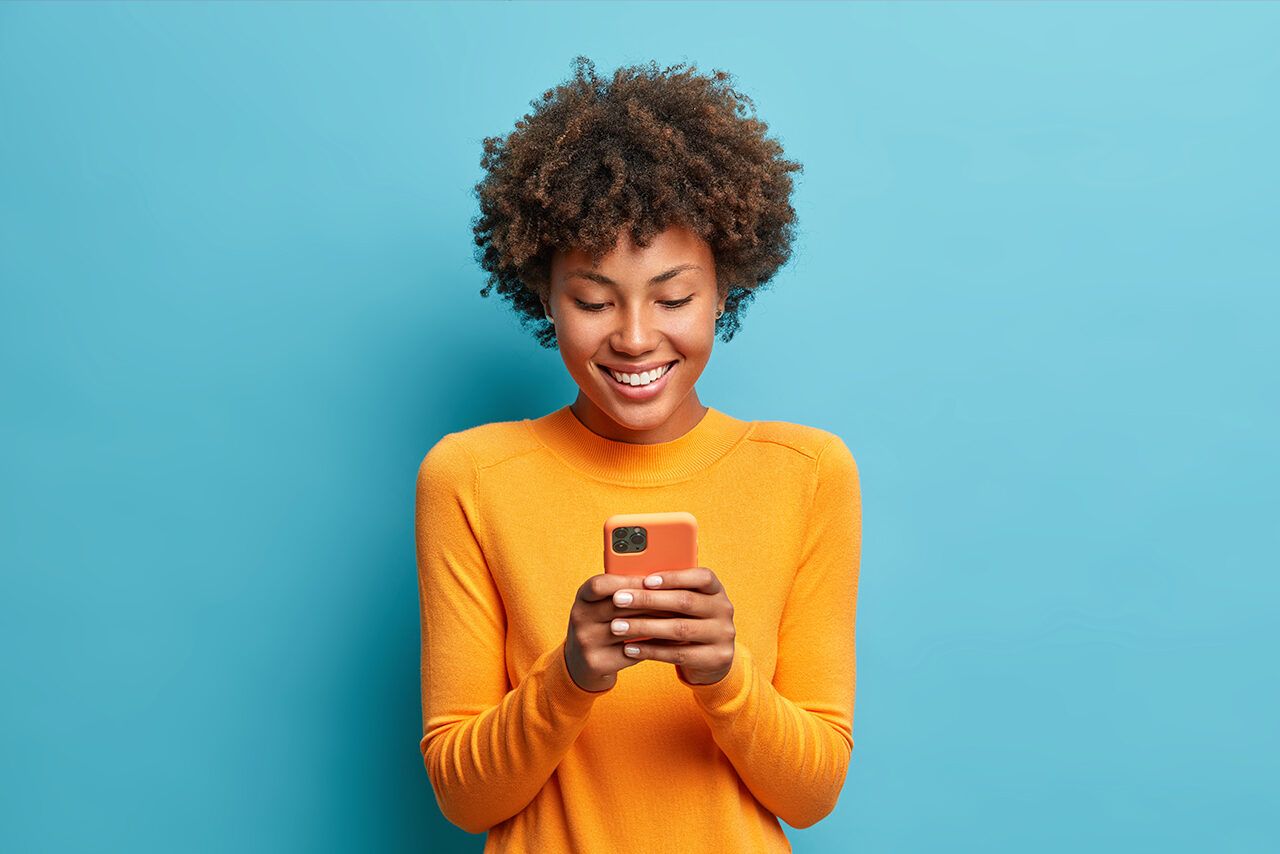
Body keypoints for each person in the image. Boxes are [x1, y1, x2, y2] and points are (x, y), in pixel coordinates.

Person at [415, 56, 862, 853]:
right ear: (543, 296)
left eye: (674, 297)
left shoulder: (809, 473)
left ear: (726, 288)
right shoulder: (469, 477)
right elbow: (463, 797)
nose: (632, 336)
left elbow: (813, 792)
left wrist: (726, 675)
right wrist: (570, 678)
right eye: (592, 300)